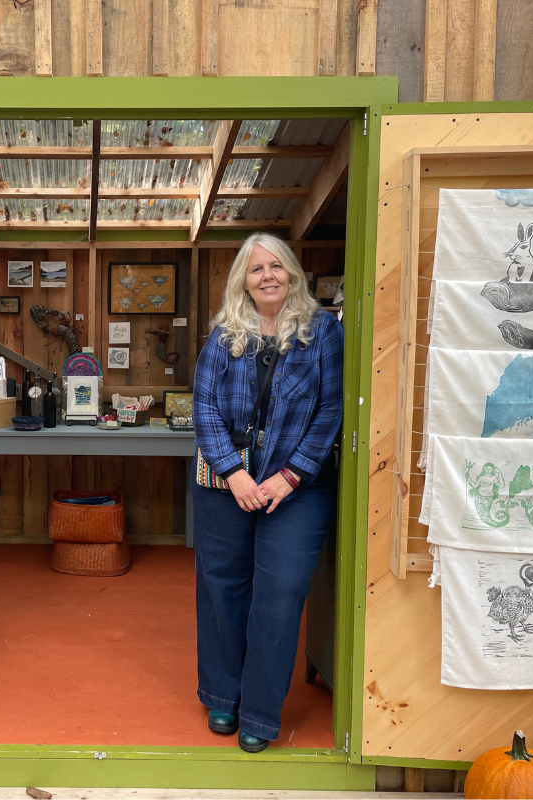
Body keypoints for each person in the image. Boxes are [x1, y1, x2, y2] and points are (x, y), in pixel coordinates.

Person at [191, 232, 343, 752]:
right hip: (225, 481)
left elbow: (331, 410)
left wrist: (292, 474)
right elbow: (204, 407)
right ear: (244, 281)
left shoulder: (323, 331)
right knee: (222, 586)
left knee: (279, 594)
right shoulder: (223, 334)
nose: (268, 276)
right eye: (257, 270)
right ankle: (222, 694)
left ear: (293, 274)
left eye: (276, 266)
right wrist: (234, 472)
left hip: (297, 485)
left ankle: (259, 711)